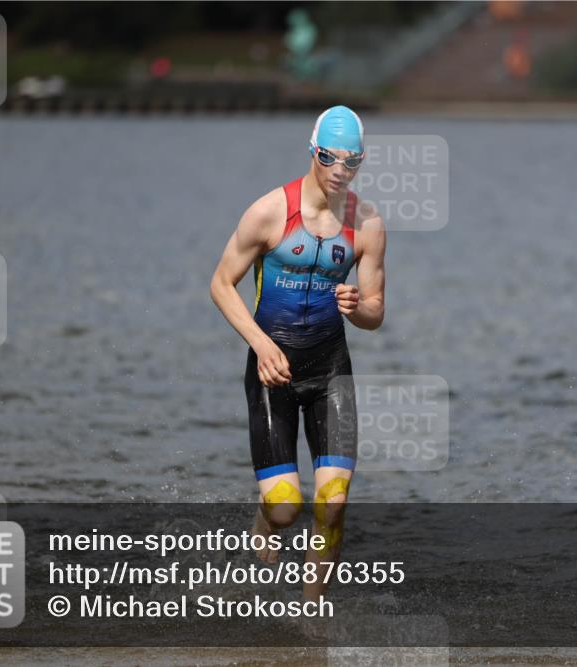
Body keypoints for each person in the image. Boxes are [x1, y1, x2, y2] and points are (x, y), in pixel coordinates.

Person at [210, 106, 386, 600]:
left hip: (331, 370)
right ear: (313, 151)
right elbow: (221, 284)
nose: (338, 170)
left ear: (360, 163)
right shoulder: (269, 212)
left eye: (350, 162)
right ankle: (265, 518)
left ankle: (313, 610)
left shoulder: (367, 225)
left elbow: (375, 312)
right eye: (329, 157)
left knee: (333, 500)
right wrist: (261, 344)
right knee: (287, 508)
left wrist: (357, 308)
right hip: (273, 374)